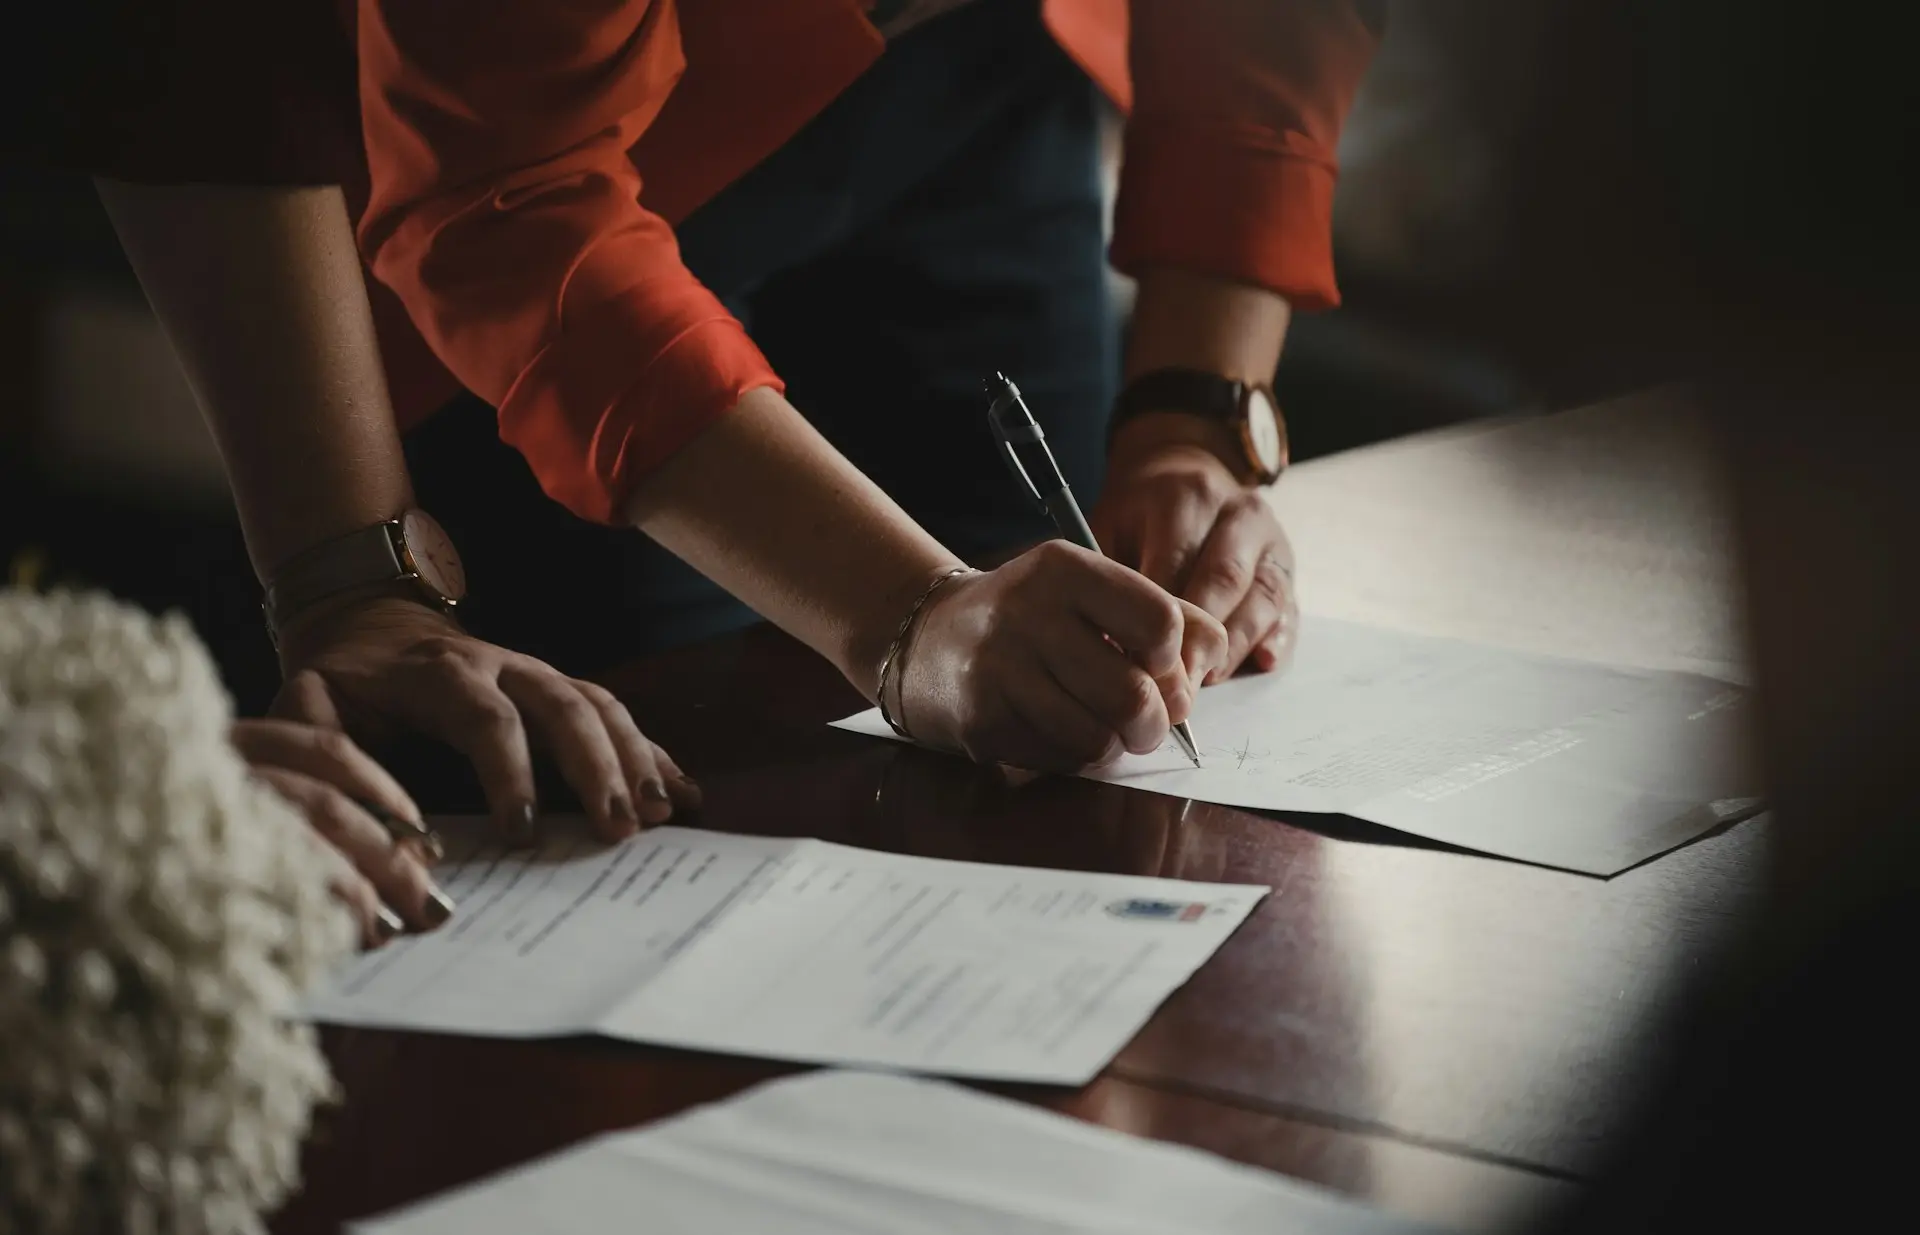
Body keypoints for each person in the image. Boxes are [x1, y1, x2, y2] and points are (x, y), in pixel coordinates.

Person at [239, 0, 1376, 810]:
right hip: (578, 165)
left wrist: (1193, 420)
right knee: (648, 808)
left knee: (1058, 733)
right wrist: (907, 612)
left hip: (986, 64)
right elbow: (512, 200)